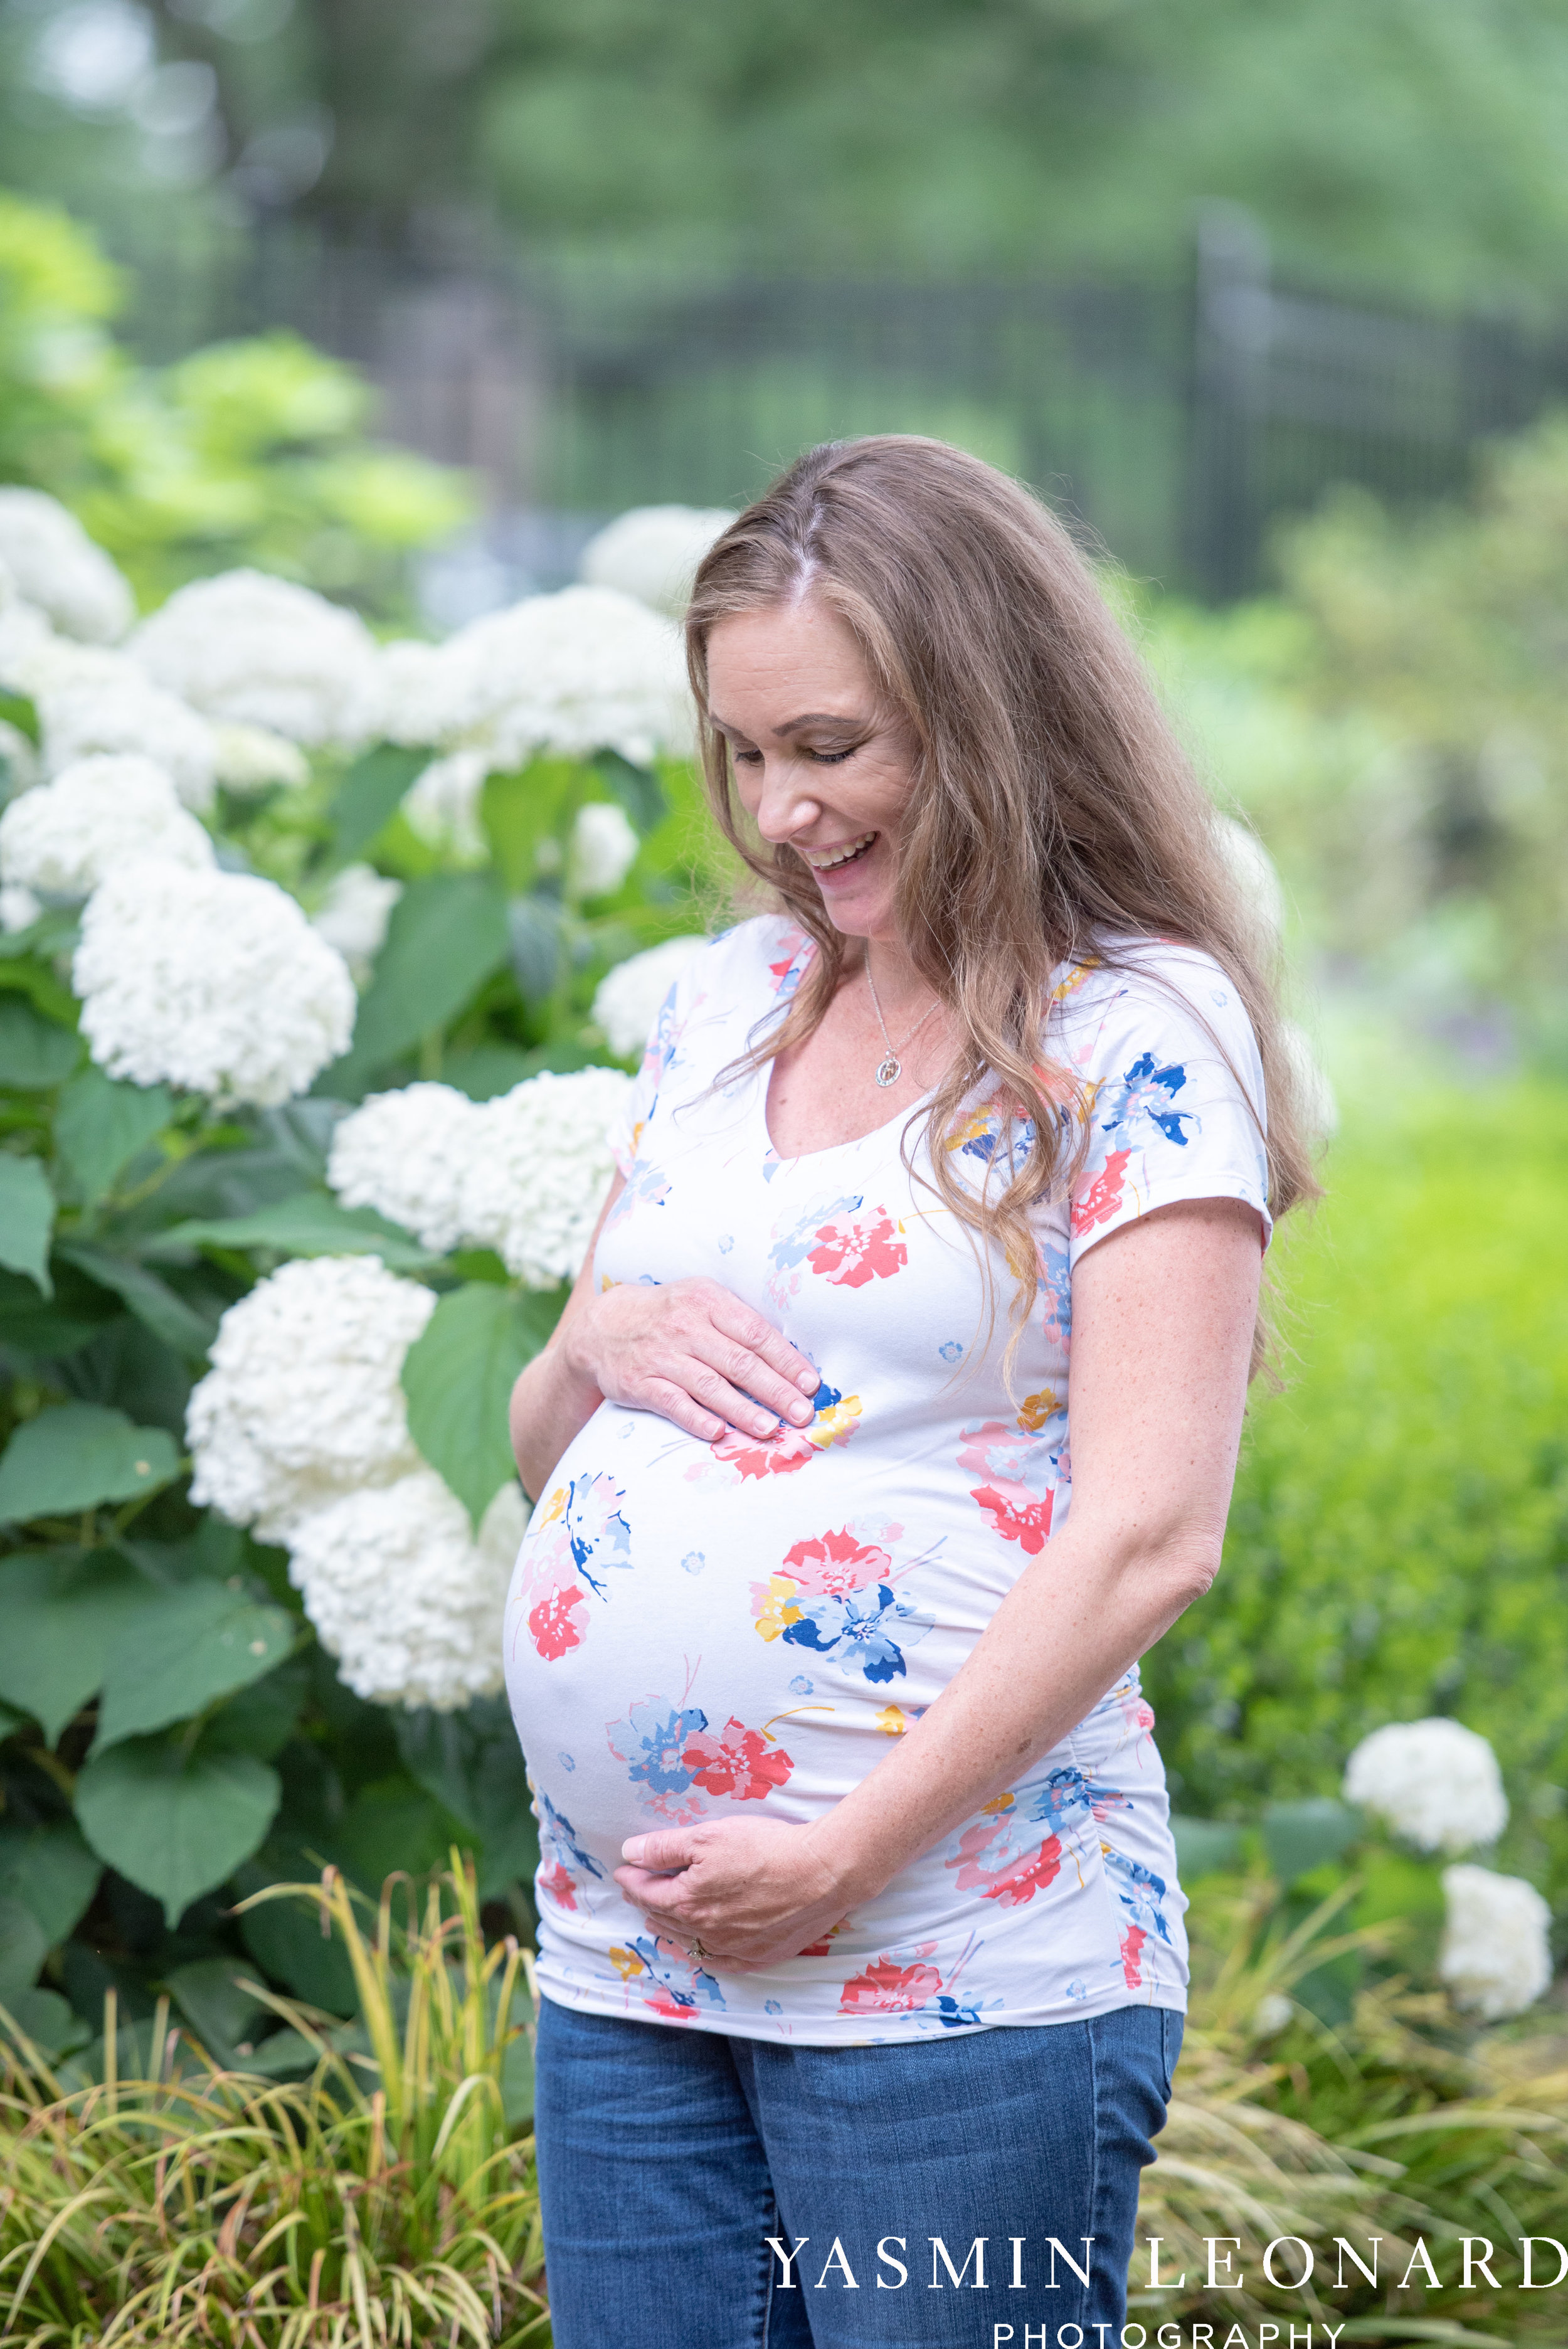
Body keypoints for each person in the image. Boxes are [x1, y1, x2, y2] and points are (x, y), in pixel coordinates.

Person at [503, 434, 1315, 2349]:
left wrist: (844, 1853)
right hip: (629, 1960)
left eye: (833, 746)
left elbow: (1148, 1537)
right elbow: (549, 1438)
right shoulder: (716, 1003)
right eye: (742, 753)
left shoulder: (1130, 1026)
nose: (780, 810)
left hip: (957, 1964)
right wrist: (592, 1343)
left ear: (988, 716)